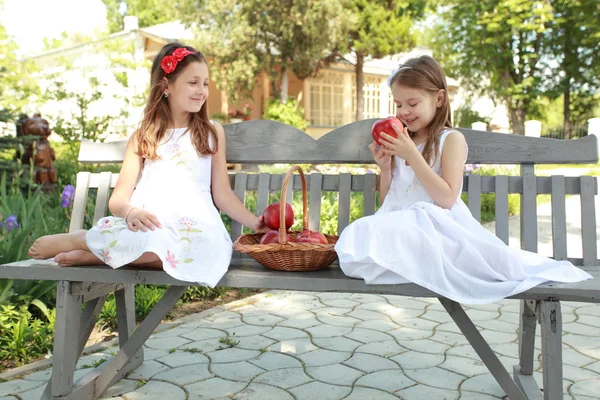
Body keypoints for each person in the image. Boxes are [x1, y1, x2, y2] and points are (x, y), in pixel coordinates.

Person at [334, 55, 592, 304]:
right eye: (398, 105)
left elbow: (446, 199)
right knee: (357, 236)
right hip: (405, 229)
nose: (404, 112)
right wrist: (386, 169)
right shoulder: (404, 141)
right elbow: (391, 198)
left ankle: (425, 264)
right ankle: (414, 265)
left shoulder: (450, 140)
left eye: (412, 104)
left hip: (437, 229)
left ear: (439, 98)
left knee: (364, 234)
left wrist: (412, 154)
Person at [28, 43, 267, 288]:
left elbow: (223, 194)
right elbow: (118, 200)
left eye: (205, 83)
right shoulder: (144, 136)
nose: (202, 91)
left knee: (208, 249)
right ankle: (79, 240)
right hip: (152, 225)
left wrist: (256, 223)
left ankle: (94, 253)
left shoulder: (210, 132)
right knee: (151, 243)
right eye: (193, 82)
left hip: (195, 226)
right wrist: (132, 213)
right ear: (166, 86)